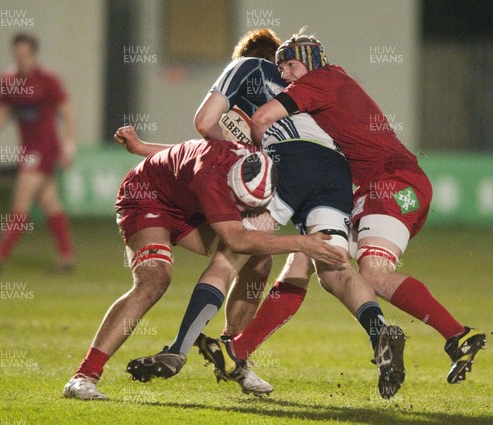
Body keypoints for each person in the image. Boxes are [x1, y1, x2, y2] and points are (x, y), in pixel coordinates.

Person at [125, 29, 406, 400]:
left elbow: (204, 126)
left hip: (287, 161)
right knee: (336, 267)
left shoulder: (247, 68)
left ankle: (178, 349)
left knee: (229, 257)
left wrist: (254, 152)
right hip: (334, 171)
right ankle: (379, 330)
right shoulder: (316, 83)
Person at [240, 29, 486, 388]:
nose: (287, 74)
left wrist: (262, 159)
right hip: (377, 188)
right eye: (281, 68)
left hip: (392, 181)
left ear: (309, 62)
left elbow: (262, 118)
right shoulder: (329, 83)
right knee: (307, 258)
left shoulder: (321, 80)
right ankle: (240, 350)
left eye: (291, 64)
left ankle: (457, 335)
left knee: (373, 274)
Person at [62, 134, 345, 400]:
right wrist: (303, 243)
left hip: (189, 204)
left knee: (259, 260)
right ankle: (84, 376)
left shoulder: (248, 157)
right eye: (238, 202)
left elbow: (178, 152)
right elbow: (237, 239)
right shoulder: (210, 176)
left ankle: (231, 355)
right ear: (230, 182)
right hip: (147, 199)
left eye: (249, 206)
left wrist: (141, 146)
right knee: (154, 280)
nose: (242, 209)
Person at [0, 33, 75, 273]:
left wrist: (68, 146)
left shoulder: (47, 79)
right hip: (27, 150)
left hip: (45, 150)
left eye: (26, 55)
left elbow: (68, 113)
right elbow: (0, 115)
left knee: (21, 200)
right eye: (18, 55)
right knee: (50, 202)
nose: (22, 59)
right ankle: (66, 257)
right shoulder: (8, 80)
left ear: (34, 55)